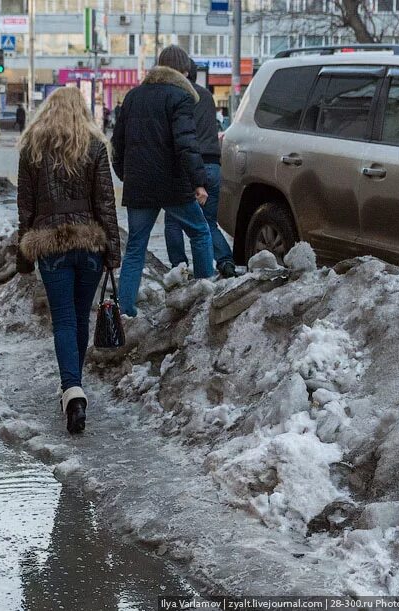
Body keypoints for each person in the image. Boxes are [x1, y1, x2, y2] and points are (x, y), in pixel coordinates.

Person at [16, 87, 121, 435]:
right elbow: (106, 203)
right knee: (79, 317)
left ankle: (71, 390)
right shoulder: (94, 146)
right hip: (89, 242)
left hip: (50, 244)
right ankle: (73, 386)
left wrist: (23, 251)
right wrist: (112, 251)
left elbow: (25, 207)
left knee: (63, 319)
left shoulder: (32, 147)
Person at [111, 45, 214, 317]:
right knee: (200, 233)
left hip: (140, 187)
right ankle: (206, 296)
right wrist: (199, 182)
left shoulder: (132, 96)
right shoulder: (180, 98)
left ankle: (125, 312)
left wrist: (127, 176)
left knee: (135, 248)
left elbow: (116, 145)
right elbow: (186, 144)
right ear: (182, 71)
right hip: (172, 186)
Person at [164, 60, 238, 278]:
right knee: (207, 223)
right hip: (213, 166)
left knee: (173, 220)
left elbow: (182, 136)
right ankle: (225, 261)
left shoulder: (179, 96)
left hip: (191, 165)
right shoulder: (206, 95)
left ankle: (180, 267)